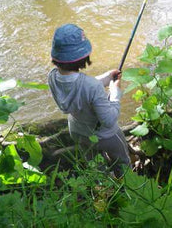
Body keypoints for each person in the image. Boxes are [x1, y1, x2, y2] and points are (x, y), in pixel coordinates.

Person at [48, 24, 130, 177]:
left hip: (77, 131)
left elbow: (81, 87)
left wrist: (107, 78)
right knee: (122, 162)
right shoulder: (90, 86)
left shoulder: (52, 76)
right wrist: (115, 92)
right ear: (82, 56)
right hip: (106, 136)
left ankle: (103, 187)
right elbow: (109, 119)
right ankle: (126, 187)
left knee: (94, 164)